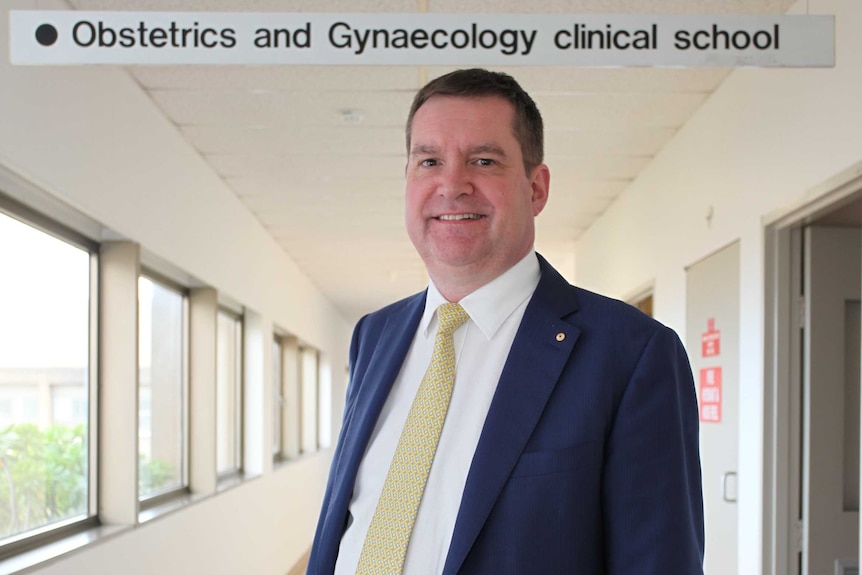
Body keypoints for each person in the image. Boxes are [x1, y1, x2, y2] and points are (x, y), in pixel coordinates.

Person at [307, 68, 704, 575]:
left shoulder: (631, 353)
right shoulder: (374, 335)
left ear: (536, 189)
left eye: (483, 160)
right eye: (428, 161)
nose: (451, 185)